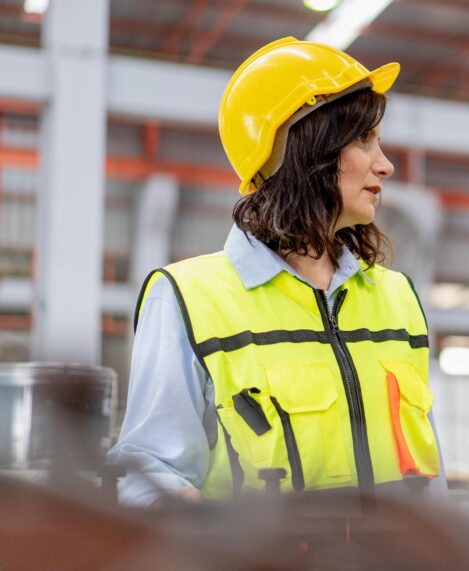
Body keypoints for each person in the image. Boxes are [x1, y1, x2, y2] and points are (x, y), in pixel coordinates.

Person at [109, 37, 444, 506]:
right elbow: (147, 475)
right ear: (308, 149)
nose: (385, 165)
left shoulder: (397, 296)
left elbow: (431, 473)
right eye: (364, 140)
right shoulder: (188, 298)